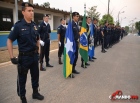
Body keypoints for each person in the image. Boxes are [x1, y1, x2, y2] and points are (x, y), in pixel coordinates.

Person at [7, 2, 44, 103]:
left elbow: (37, 39)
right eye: (29, 11)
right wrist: (11, 57)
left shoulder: (34, 25)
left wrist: (38, 51)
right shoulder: (18, 26)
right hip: (24, 58)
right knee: (22, 79)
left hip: (34, 56)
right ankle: (22, 97)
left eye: (32, 11)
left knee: (35, 76)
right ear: (23, 12)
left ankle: (35, 92)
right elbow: (9, 40)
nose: (31, 13)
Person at [69, 12, 80, 78]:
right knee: (71, 57)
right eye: (76, 16)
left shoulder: (76, 24)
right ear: (73, 17)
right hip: (71, 43)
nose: (78, 17)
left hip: (76, 42)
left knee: (76, 57)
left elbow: (77, 33)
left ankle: (73, 69)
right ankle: (70, 71)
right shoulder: (71, 24)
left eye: (78, 16)